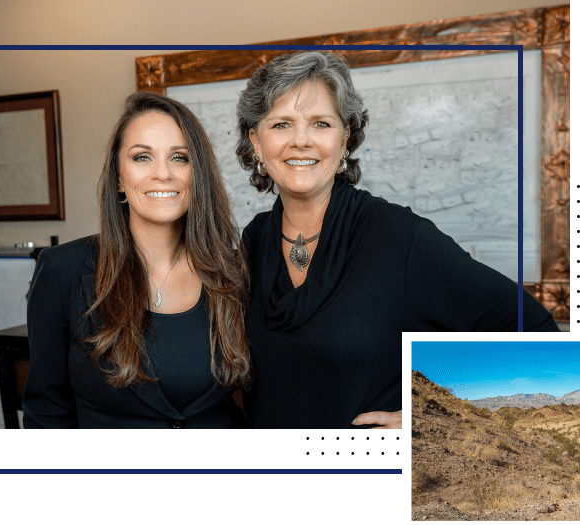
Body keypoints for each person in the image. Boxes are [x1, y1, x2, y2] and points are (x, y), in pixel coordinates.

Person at [236, 51, 559, 430]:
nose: (301, 141)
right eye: (282, 125)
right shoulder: (253, 240)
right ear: (256, 142)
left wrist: (433, 423)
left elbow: (534, 330)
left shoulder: (398, 236)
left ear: (345, 140)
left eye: (321, 123)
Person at [23, 92, 251, 428]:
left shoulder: (234, 271)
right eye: (142, 157)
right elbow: (46, 414)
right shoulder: (62, 271)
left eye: (180, 158)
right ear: (118, 177)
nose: (163, 174)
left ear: (198, 175)